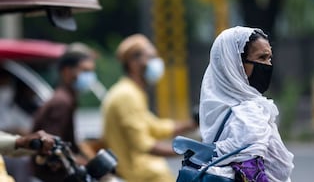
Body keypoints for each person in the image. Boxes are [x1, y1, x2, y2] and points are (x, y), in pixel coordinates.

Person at [199, 26, 294, 182]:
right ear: (235, 64)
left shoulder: (219, 108)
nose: (268, 65)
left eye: (269, 58)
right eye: (262, 58)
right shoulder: (248, 116)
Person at [102, 34, 196, 182]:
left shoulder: (132, 92)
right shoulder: (127, 96)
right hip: (137, 173)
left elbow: (154, 127)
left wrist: (192, 123)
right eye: (151, 57)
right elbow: (143, 144)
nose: (157, 63)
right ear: (133, 63)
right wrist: (190, 151)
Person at [31, 50, 97, 182]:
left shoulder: (67, 99)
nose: (89, 76)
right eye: (84, 71)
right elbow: (52, 148)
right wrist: (78, 161)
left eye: (91, 71)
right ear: (67, 71)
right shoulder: (61, 103)